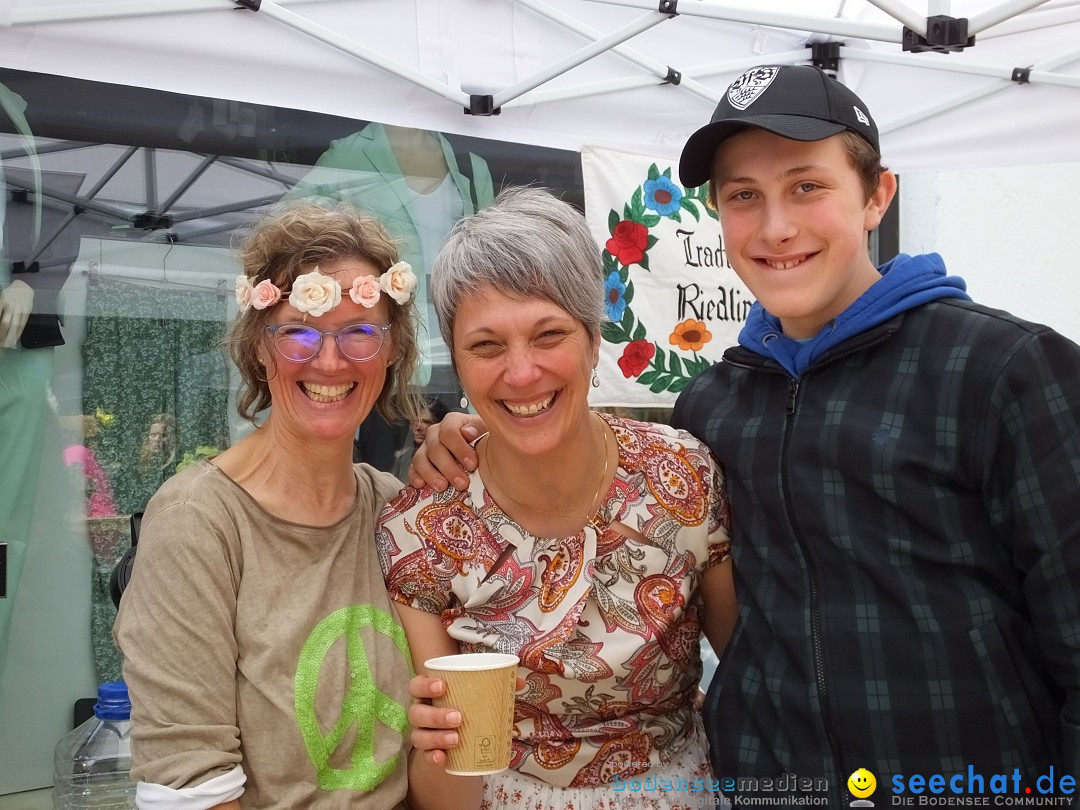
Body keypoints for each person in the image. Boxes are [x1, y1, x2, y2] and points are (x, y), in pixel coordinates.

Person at [408, 66, 1080, 804]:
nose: (776, 227)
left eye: (807, 187)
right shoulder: (716, 409)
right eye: (744, 197)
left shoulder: (1002, 370)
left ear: (877, 196)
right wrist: (470, 435)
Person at [375, 187, 738, 810]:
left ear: (595, 341)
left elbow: (743, 674)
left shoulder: (683, 475)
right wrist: (435, 745)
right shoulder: (421, 529)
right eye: (486, 346)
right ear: (457, 365)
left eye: (549, 335)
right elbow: (446, 788)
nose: (520, 373)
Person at [113, 202, 448, 809]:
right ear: (259, 348)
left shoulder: (398, 512)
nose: (329, 360)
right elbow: (190, 786)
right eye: (297, 330)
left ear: (393, 348)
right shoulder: (199, 522)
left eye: (359, 330)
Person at [390, 397, 449, 481]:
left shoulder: (446, 455)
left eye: (426, 422)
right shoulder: (403, 455)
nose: (418, 427)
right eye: (414, 421)